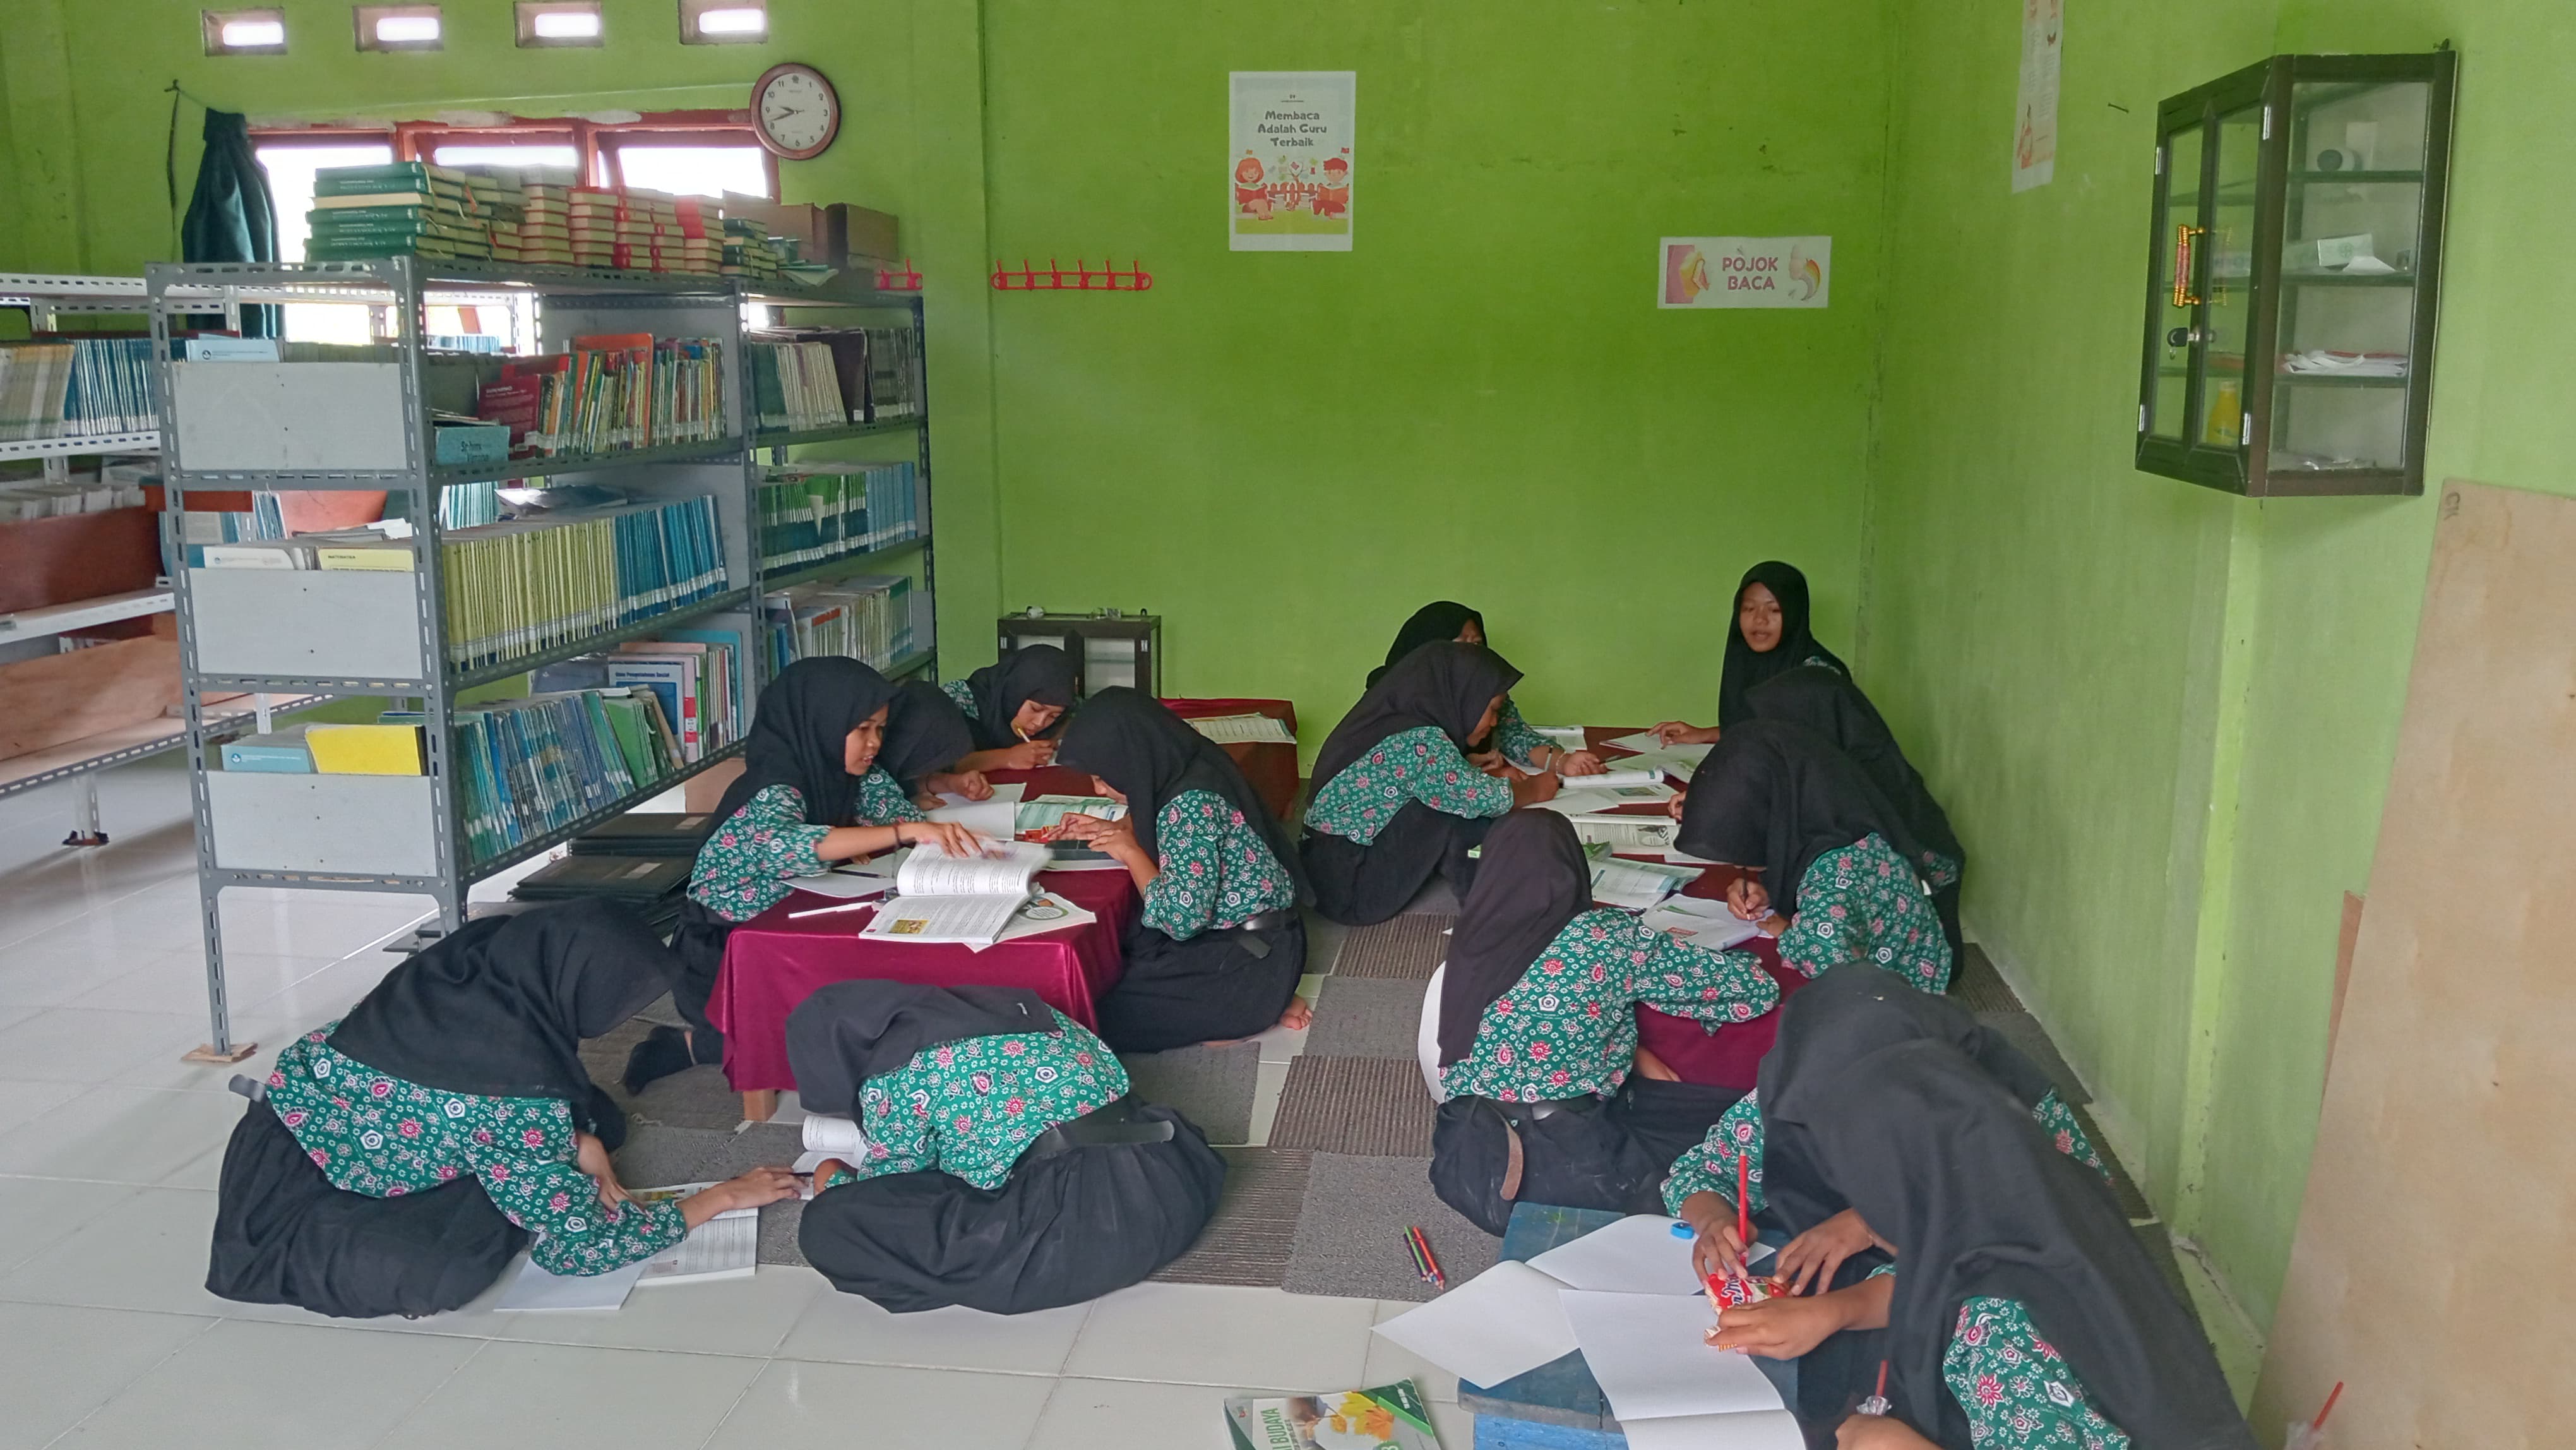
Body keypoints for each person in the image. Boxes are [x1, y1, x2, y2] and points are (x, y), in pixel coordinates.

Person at [1679, 983, 2253, 1449]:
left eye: (1868, 1191)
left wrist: (1888, 1442)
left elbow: (1962, 1283)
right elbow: (1951, 1262)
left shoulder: (2002, 1331)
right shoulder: (1992, 1195)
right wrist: (1722, 1225)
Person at [206, 901, 801, 1319]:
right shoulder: (512, 1105)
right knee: (452, 1267)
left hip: (317, 1111)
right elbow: (584, 1247)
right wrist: (721, 1197)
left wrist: (579, 1142)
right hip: (313, 1177)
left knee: (596, 1122)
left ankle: (550, 1151)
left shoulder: (458, 971)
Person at [624, 658, 986, 1093]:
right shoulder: (773, 786)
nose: (874, 743)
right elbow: (786, 845)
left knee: (874, 1003)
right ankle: (684, 1045)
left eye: (881, 729)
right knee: (824, 1036)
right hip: (726, 951)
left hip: (794, 926)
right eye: (863, 729)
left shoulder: (847, 771)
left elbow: (897, 815)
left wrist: (908, 828)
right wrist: (896, 834)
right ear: (823, 722)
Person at [1426, 811, 1780, 1233]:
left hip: (1469, 1153)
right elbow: (1751, 990)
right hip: (1575, 1168)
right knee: (1743, 1146)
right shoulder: (1602, 936)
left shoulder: (1474, 933)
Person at [792, 980, 1225, 1314]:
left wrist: (834, 1178)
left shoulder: (891, 1078)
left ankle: (981, 1281)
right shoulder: (1021, 1010)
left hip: (1086, 1234)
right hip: (1172, 1184)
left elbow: (895, 1190)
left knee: (829, 1225)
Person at [1050, 688, 1313, 1051]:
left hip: (1248, 958)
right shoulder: (1189, 761)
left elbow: (1181, 920)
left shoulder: (1188, 807)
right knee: (1113, 965)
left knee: (1093, 1010)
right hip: (1264, 939)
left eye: (1102, 777)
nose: (1098, 789)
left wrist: (1129, 851)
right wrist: (1119, 829)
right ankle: (1267, 999)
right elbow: (1158, 821)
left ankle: (1254, 1009)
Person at [1677, 719, 1955, 993]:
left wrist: (1790, 934)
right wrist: (1771, 891)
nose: (1738, 865)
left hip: (1892, 997)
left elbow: (1830, 965)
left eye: (1744, 853)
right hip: (1904, 960)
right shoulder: (1830, 818)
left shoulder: (1833, 880)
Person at [1301, 641, 1561, 925]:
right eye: (1492, 710)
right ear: (1466, 698)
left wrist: (1467, 769)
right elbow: (1481, 798)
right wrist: (1535, 788)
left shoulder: (1396, 718)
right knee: (1461, 813)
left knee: (1452, 796)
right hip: (1352, 889)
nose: (1495, 722)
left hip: (1323, 871)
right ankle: (1494, 913)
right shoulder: (1423, 742)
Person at [1746, 664, 1966, 951]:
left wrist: (1790, 928)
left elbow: (1850, 897)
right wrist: (1769, 890)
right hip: (1849, 932)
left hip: (1903, 955)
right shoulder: (1823, 772)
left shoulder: (1872, 788)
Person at [1369, 601, 1605, 776]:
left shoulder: (1485, 691)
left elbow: (1516, 736)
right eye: (1460, 646)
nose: (1473, 655)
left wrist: (1564, 762)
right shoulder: (1392, 700)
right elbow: (1402, 770)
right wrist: (1469, 771)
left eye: (1478, 645)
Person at [1654, 561, 1851, 746]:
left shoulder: (1821, 675)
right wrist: (1703, 734)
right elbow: (1758, 729)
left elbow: (1819, 750)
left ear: (1794, 614)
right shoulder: (1747, 660)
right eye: (1749, 608)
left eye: (1774, 610)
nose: (1760, 619)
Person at [942, 644, 1078, 772]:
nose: (1040, 723)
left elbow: (1079, 719)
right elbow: (940, 762)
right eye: (1035, 709)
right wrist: (1007, 758)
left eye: (1053, 716)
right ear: (1014, 693)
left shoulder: (1066, 711)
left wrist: (1055, 737)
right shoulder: (958, 699)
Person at [883, 678, 991, 808]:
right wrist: (907, 804)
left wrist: (953, 783)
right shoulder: (871, 776)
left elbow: (914, 783)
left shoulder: (895, 765)